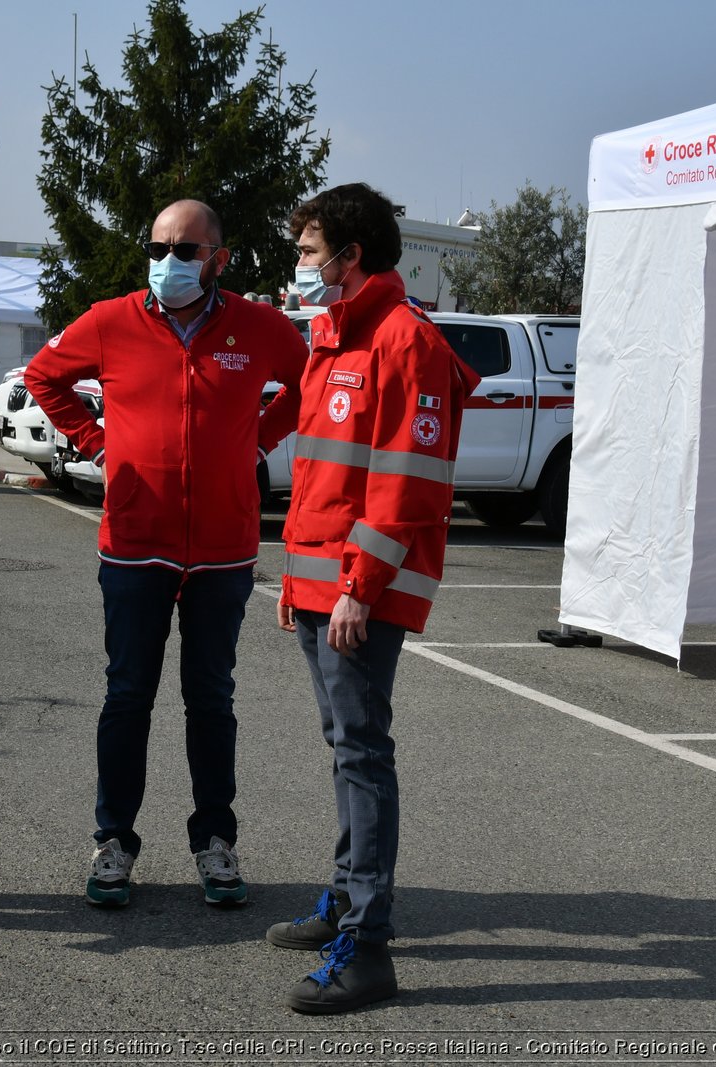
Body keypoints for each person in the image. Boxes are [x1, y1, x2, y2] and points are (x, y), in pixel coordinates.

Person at [24, 199, 308, 909]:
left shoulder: (261, 327)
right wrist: (99, 446)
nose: (168, 263)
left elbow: (311, 383)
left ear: (220, 258)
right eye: (157, 248)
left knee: (211, 699)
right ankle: (113, 840)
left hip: (223, 548)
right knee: (127, 696)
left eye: (185, 250)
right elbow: (44, 379)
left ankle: (215, 841)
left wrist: (260, 439)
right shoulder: (110, 320)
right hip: (134, 544)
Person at [268, 183, 479, 1013]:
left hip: (363, 587)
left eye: (310, 251)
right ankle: (346, 899)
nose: (301, 267)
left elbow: (409, 485)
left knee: (362, 751)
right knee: (345, 744)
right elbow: (324, 476)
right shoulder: (334, 335)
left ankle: (368, 943)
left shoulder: (404, 340)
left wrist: (359, 584)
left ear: (352, 256)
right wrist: (296, 579)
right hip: (322, 581)